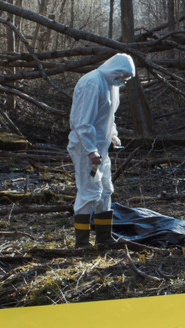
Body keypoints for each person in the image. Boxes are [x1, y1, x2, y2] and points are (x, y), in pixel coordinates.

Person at [67, 53, 135, 249]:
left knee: (105, 190)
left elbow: (108, 116)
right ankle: (82, 243)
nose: (123, 81)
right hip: (85, 148)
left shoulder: (111, 86)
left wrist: (113, 136)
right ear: (115, 70)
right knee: (89, 192)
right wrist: (90, 151)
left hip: (101, 147)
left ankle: (104, 238)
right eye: (122, 76)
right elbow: (83, 122)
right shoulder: (92, 83)